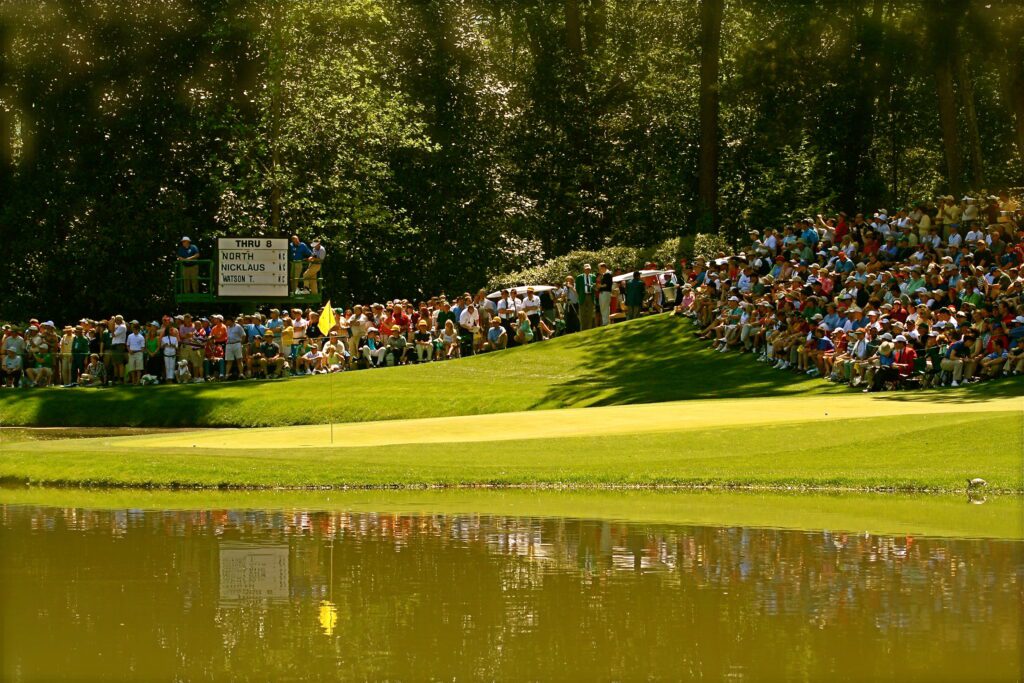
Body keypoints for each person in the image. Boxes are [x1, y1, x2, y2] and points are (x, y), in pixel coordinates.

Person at [224, 315, 247, 380]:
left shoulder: (238, 327)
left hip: (237, 343)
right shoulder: (227, 327)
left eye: (227, 321)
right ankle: (227, 375)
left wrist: (240, 343)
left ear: (231, 321)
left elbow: (243, 335)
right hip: (229, 344)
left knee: (239, 360)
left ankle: (241, 374)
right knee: (229, 360)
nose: (226, 322)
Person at [576, 264, 597, 330]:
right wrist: (580, 295)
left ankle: (589, 328)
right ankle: (583, 329)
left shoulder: (593, 276)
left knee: (590, 313)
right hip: (583, 296)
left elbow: (595, 286)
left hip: (591, 296)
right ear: (584, 269)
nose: (588, 270)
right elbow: (577, 288)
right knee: (582, 313)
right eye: (586, 269)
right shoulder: (579, 277)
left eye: (589, 269)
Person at [126, 321, 146, 385]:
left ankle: (137, 381)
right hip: (131, 353)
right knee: (132, 368)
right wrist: (129, 350)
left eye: (136, 329)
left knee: (138, 368)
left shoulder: (141, 337)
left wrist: (134, 351)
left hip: (139, 354)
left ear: (138, 329)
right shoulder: (130, 336)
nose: (135, 330)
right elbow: (127, 345)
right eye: (134, 329)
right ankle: (133, 381)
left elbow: (142, 348)